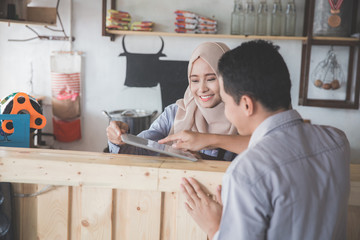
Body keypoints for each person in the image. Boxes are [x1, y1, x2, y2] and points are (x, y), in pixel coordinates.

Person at [179, 40, 350, 240]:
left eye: (225, 102)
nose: (225, 110)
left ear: (246, 105)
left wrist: (215, 228)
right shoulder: (337, 141)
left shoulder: (246, 172)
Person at [106, 42, 249, 160]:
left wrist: (202, 158)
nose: (202, 88)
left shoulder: (243, 116)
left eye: (211, 79)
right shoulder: (175, 113)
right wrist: (120, 139)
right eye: (194, 80)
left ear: (228, 78)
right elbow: (138, 151)